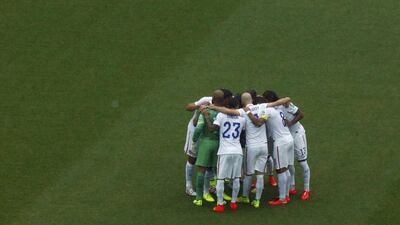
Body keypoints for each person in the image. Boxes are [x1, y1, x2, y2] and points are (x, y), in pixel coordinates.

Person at [202, 98, 246, 213]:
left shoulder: (221, 116)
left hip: (224, 152)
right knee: (236, 178)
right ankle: (233, 203)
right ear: (236, 106)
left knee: (220, 179)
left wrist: (206, 116)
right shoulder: (242, 118)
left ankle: (220, 204)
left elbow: (212, 129)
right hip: (237, 151)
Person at [184, 96, 212, 196]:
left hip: (208, 134)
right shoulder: (206, 99)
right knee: (192, 159)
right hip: (195, 132)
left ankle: (208, 185)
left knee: (209, 160)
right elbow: (188, 107)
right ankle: (188, 186)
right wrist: (199, 106)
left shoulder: (223, 106)